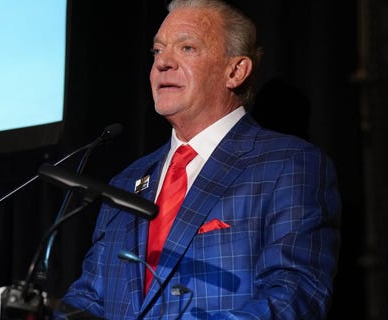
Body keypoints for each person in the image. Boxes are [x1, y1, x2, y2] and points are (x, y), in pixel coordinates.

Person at [58, 0, 341, 318]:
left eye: (187, 48)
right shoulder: (125, 182)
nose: (163, 63)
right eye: (157, 51)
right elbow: (90, 300)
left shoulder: (288, 164)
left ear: (235, 71)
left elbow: (295, 292)